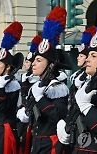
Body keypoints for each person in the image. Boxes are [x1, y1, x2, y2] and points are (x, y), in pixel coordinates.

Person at [17, 6, 71, 154]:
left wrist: (40, 98)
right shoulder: (37, 85)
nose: (33, 63)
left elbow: (58, 115)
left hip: (50, 144)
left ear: (51, 64)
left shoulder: (57, 87)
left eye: (39, 60)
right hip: (36, 141)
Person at [57, 7, 97, 153]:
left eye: (93, 56)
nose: (87, 59)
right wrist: (68, 132)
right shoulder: (90, 83)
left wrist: (86, 107)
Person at [0, 21, 23, 154]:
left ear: (7, 67)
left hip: (5, 129)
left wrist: (0, 88)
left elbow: (2, 108)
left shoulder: (13, 85)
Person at [17, 35, 41, 154]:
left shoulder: (36, 81)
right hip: (25, 115)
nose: (26, 64)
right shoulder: (25, 77)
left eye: (28, 61)